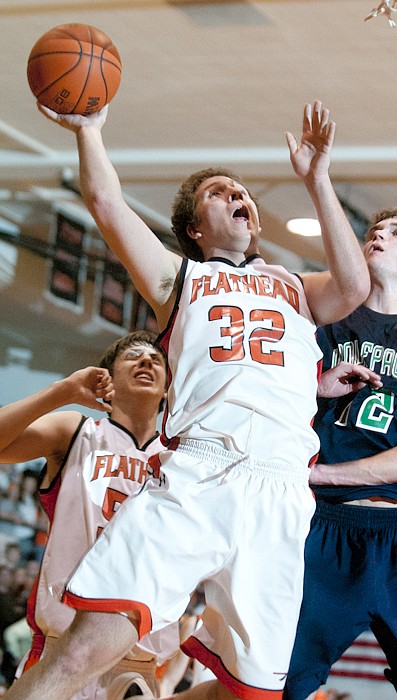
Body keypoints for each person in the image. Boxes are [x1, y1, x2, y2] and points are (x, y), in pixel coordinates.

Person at [3, 98, 371, 700]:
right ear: (195, 229)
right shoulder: (182, 278)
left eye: (240, 188)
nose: (236, 193)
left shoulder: (292, 286)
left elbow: (355, 285)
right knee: (84, 654)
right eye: (217, 191)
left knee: (249, 694)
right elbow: (107, 205)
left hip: (280, 490)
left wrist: (319, 179)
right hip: (203, 472)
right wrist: (91, 132)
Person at [284, 208, 397, 700]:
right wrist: (311, 388)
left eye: (396, 232)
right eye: (373, 232)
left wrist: (321, 475)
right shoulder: (324, 319)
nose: (378, 235)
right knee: (278, 682)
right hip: (320, 532)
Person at [0, 330, 176, 699]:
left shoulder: (183, 457)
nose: (146, 361)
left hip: (138, 663)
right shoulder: (76, 432)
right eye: (133, 356)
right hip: (61, 646)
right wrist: (63, 391)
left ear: (166, 391)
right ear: (107, 379)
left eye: (156, 360)